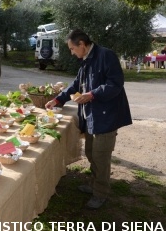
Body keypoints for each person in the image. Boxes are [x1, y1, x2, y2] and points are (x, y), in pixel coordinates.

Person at [45, 29, 132, 209]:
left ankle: (101, 194)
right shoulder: (86, 60)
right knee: (92, 153)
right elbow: (76, 84)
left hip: (106, 117)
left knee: (101, 157)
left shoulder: (106, 56)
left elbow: (115, 84)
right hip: (92, 117)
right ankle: (94, 184)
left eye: (72, 48)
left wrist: (92, 94)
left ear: (82, 45)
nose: (71, 52)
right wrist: (58, 99)